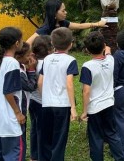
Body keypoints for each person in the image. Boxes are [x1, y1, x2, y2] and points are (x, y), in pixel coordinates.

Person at [80, 31, 124, 161]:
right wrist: (107, 49)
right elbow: (109, 53)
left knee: (95, 137)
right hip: (109, 104)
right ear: (104, 46)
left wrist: (84, 112)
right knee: (112, 133)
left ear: (87, 50)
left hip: (94, 108)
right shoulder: (111, 60)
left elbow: (86, 91)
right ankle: (121, 158)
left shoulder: (87, 66)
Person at [0, 27, 26, 161]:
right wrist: (18, 112)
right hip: (9, 120)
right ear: (17, 43)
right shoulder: (12, 63)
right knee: (13, 155)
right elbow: (8, 91)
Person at [37, 27, 78, 161]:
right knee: (59, 139)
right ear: (71, 44)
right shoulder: (70, 60)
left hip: (46, 104)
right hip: (62, 105)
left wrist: (45, 97)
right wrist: (73, 107)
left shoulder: (47, 59)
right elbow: (69, 83)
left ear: (52, 44)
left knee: (46, 137)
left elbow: (40, 82)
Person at [26, 0, 107, 45]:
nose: (66, 12)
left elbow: (80, 26)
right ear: (54, 12)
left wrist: (98, 24)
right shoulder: (45, 29)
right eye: (63, 11)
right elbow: (28, 43)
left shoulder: (63, 23)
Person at [28, 35, 53, 161]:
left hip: (32, 100)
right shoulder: (47, 64)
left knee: (35, 128)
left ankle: (34, 155)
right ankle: (43, 157)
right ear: (49, 50)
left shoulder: (32, 62)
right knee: (44, 132)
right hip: (43, 102)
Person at [14, 42, 38, 161]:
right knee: (20, 141)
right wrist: (32, 70)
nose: (31, 56)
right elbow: (31, 87)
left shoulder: (21, 65)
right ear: (18, 57)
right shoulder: (17, 71)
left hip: (21, 108)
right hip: (19, 110)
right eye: (28, 54)